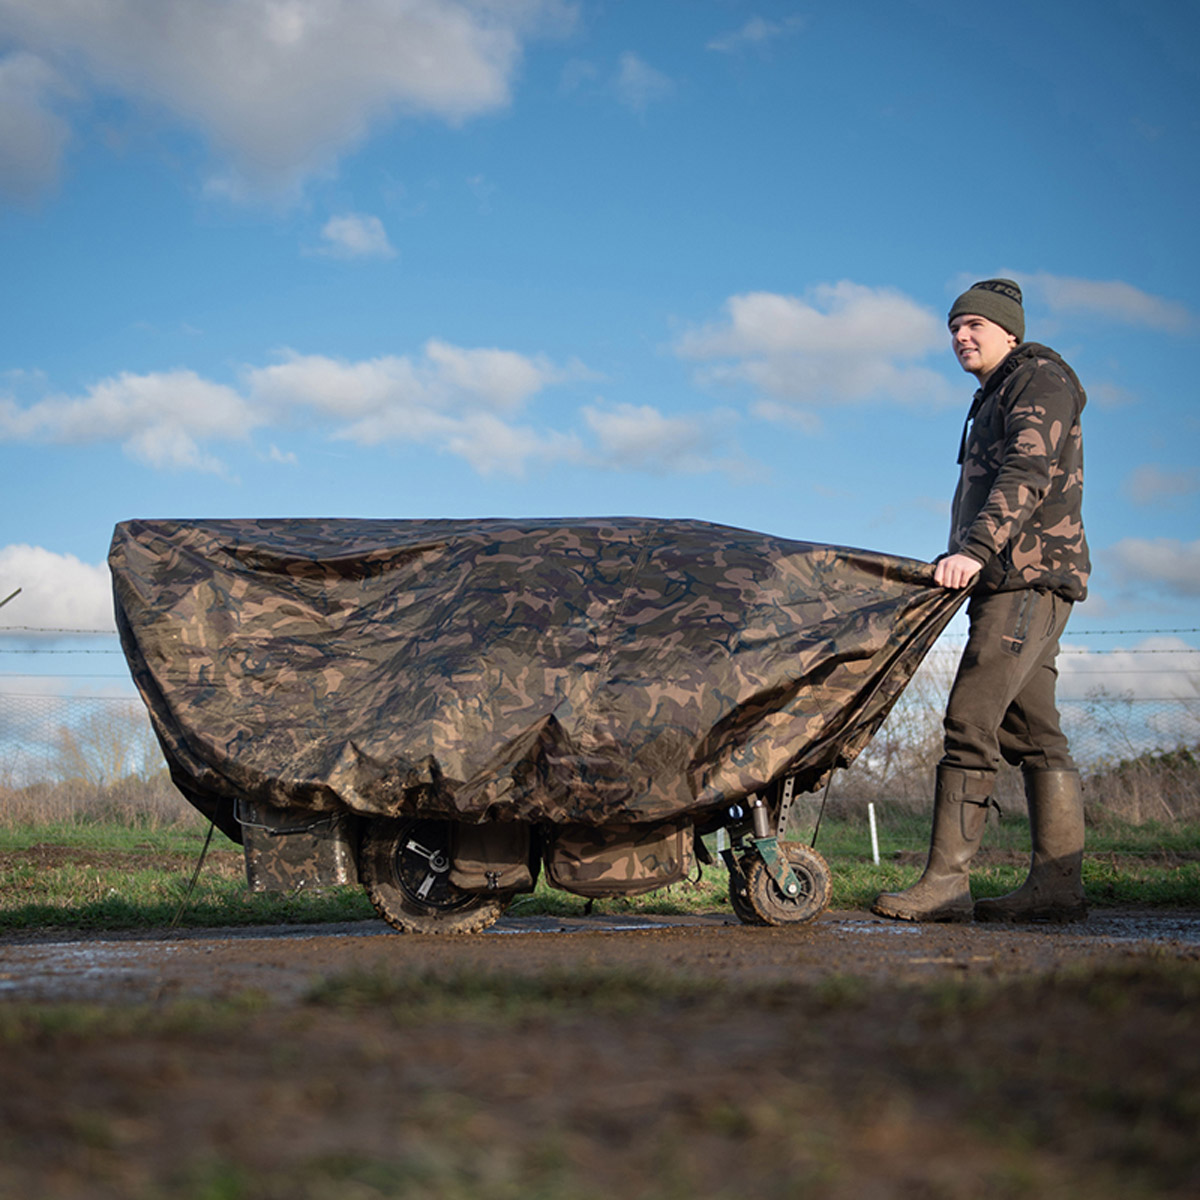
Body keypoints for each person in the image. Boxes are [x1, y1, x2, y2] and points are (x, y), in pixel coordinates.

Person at [873, 278, 1090, 923]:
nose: (961, 338)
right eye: (953, 329)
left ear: (1009, 331)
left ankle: (946, 883)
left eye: (973, 325)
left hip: (1024, 576)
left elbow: (1027, 471)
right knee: (1034, 733)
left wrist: (975, 549)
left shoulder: (1038, 379)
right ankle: (1057, 890)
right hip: (1014, 577)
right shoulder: (995, 392)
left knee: (970, 722)